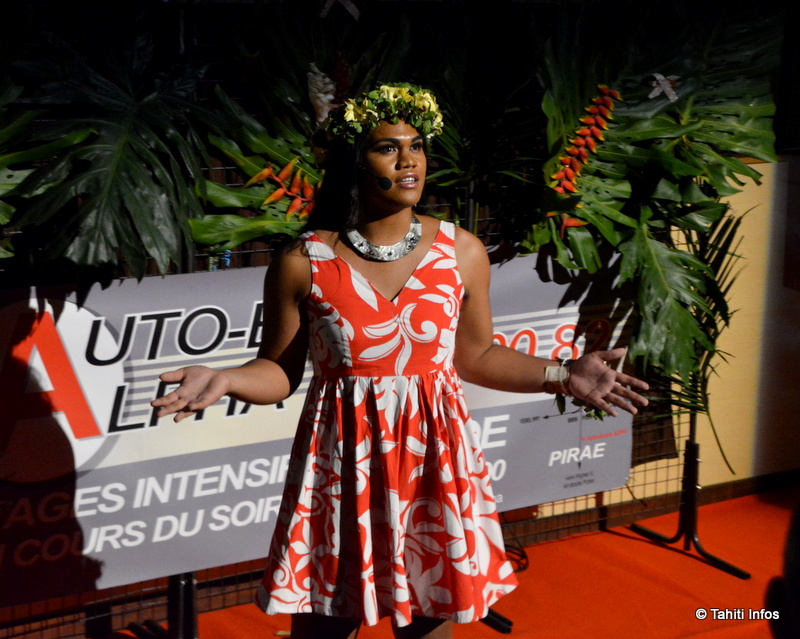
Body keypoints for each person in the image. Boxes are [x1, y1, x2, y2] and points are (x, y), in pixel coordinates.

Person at [151, 83, 649, 639]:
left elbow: (477, 356)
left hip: (432, 467)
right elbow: (280, 373)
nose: (409, 160)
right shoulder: (304, 261)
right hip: (340, 472)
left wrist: (564, 374)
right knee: (322, 627)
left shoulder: (461, 252)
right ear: (353, 162)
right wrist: (228, 378)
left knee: (429, 622)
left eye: (416, 145)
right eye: (388, 148)